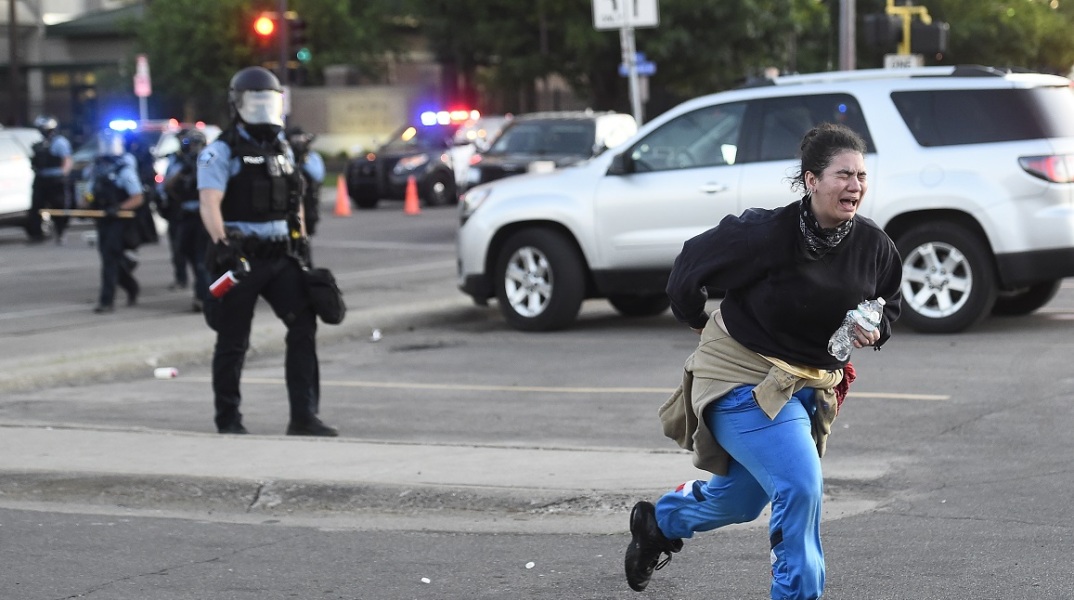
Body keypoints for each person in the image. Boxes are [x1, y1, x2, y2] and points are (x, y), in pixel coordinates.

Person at [624, 122, 903, 599]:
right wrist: (696, 321)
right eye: (843, 174)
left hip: (803, 384)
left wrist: (874, 329)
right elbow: (688, 267)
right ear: (812, 180)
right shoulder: (764, 233)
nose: (855, 185)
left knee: (739, 501)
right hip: (739, 376)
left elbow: (888, 303)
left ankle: (660, 522)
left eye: (861, 175)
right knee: (799, 486)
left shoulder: (873, 246)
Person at [197, 65, 337, 437]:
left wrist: (302, 245)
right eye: (254, 102)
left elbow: (296, 201)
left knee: (304, 324)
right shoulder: (220, 151)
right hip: (242, 257)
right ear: (237, 104)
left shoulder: (283, 148)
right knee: (233, 339)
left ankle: (303, 416)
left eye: (268, 102)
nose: (262, 110)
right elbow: (210, 203)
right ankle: (228, 420)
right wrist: (223, 246)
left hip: (281, 255)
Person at [87, 128, 144, 314]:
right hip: (103, 220)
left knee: (109, 260)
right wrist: (87, 202)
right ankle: (131, 286)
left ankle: (106, 300)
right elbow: (88, 193)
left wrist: (118, 208)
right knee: (110, 258)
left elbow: (137, 197)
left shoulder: (124, 169)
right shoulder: (96, 169)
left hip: (118, 221)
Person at [163, 129, 210, 311]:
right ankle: (199, 290)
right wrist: (184, 170)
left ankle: (203, 296)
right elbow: (167, 187)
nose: (194, 149)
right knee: (184, 252)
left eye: (197, 144)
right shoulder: (178, 162)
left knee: (202, 261)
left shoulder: (210, 161)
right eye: (191, 144)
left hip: (204, 216)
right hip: (184, 216)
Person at [27, 115, 73, 244]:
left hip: (55, 179)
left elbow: (67, 160)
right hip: (41, 178)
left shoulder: (60, 142)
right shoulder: (39, 143)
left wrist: (62, 175)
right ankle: (36, 235)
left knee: (59, 207)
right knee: (36, 207)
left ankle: (60, 232)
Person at [286, 125, 325, 236]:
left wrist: (303, 159)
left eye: (301, 138)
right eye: (295, 139)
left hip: (309, 207)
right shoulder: (285, 155)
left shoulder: (312, 157)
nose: (299, 142)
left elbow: (317, 175)